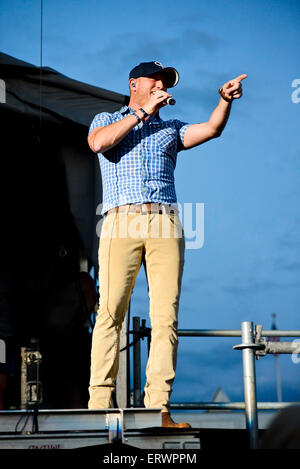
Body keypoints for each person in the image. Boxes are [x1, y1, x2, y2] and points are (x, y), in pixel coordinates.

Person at [87, 61, 246, 427]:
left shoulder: (171, 129)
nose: (161, 84)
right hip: (120, 219)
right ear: (134, 84)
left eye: (166, 81)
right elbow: (99, 144)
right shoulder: (106, 118)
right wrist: (143, 113)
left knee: (165, 317)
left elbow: (211, 129)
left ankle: (157, 409)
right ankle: (98, 408)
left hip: (165, 220)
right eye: (155, 79)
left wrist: (225, 100)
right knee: (110, 312)